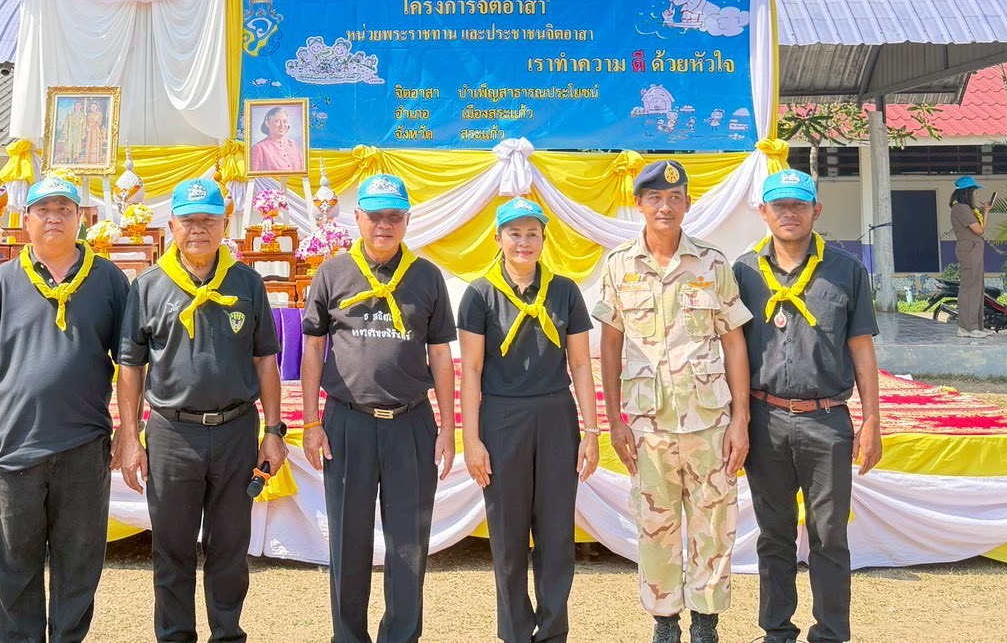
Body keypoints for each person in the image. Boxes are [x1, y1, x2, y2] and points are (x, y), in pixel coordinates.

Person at [0, 174, 131, 643]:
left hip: (84, 446)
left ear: (82, 218)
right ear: (25, 220)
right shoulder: (0, 281)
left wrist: (130, 431)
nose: (54, 218)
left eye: (64, 209)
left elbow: (131, 362)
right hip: (12, 449)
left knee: (79, 565)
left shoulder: (109, 279)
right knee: (13, 567)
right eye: (43, 210)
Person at [116, 177, 288, 643]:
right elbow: (130, 367)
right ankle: (175, 636)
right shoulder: (148, 287)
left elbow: (265, 360)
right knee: (171, 548)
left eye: (208, 220)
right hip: (173, 434)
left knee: (229, 546)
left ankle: (227, 634)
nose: (198, 230)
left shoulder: (247, 283)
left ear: (224, 224)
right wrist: (130, 438)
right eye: (188, 221)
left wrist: (274, 432)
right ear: (171, 226)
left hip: (235, 430)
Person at [593, 160, 752, 643]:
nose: (665, 206)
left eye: (675, 198)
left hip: (709, 420)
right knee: (655, 526)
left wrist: (740, 419)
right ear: (639, 204)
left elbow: (734, 342)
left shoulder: (713, 263)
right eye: (655, 198)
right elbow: (610, 345)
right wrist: (615, 419)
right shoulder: (619, 264)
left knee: (714, 524)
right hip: (648, 424)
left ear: (687, 203)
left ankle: (705, 622)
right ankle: (665, 621)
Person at [300, 173, 457, 643]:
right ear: (358, 218)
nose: (384, 225)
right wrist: (310, 421)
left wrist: (448, 427)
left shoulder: (426, 275)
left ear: (407, 220)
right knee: (349, 539)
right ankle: (348, 637)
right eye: (375, 215)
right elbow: (313, 348)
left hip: (411, 423)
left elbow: (440, 354)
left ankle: (401, 636)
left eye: (394, 216)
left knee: (409, 542)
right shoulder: (333, 272)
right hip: (347, 423)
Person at [736, 169, 882, 643]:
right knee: (773, 534)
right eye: (779, 205)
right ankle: (776, 631)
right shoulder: (742, 273)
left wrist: (872, 420)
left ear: (816, 210)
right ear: (763, 212)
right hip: (764, 420)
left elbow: (861, 348)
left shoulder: (846, 271)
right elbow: (730, 350)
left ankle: (831, 633)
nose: (789, 213)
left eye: (799, 205)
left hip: (826, 421)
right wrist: (735, 419)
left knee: (830, 535)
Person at [458, 197, 601, 643]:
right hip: (502, 417)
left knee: (557, 532)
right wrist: (471, 438)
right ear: (498, 238)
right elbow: (472, 370)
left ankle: (553, 632)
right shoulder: (479, 294)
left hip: (556, 415)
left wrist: (591, 431)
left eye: (532, 233)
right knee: (508, 532)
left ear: (543, 239)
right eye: (515, 233)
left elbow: (581, 365)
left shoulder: (565, 291)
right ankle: (516, 632)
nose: (524, 242)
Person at [948, 176, 989, 338]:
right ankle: (967, 327)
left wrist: (986, 211)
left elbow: (981, 229)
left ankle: (976, 326)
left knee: (977, 287)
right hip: (969, 249)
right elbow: (979, 230)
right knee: (970, 287)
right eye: (974, 190)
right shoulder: (961, 209)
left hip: (974, 249)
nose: (976, 193)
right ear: (967, 192)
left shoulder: (966, 209)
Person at [249, 105, 304, 174]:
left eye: (285, 121)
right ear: (267, 123)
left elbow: (303, 171)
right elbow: (255, 177)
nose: (282, 125)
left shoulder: (293, 144)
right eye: (277, 121)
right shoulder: (258, 148)